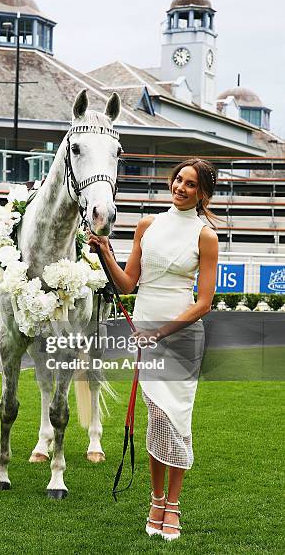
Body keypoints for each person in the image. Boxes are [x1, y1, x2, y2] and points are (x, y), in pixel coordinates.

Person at [87, 158, 219, 541]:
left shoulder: (205, 236)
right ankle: (156, 500)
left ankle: (173, 506)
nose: (181, 187)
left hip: (178, 339)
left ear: (202, 192)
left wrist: (160, 333)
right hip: (146, 334)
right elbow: (128, 284)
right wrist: (106, 252)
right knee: (156, 419)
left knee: (177, 420)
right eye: (178, 179)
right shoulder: (148, 225)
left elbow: (204, 303)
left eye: (191, 184)